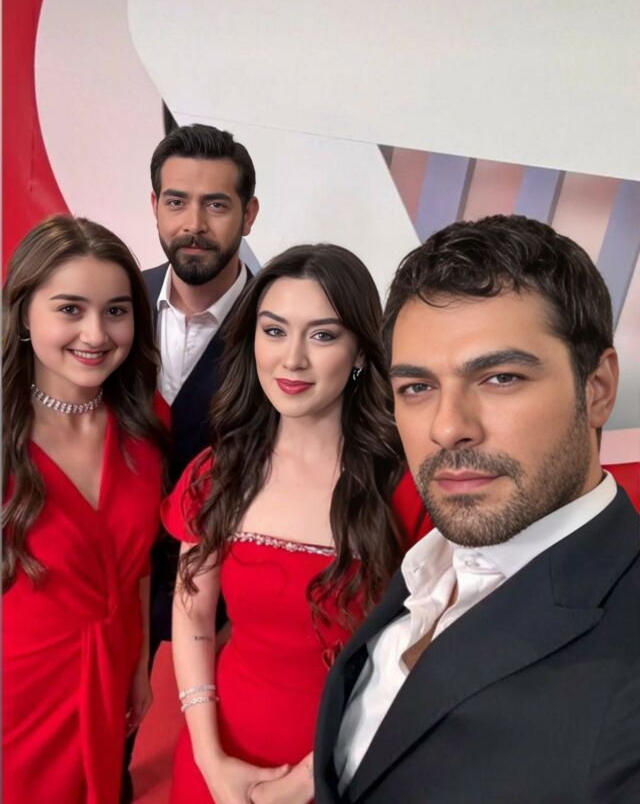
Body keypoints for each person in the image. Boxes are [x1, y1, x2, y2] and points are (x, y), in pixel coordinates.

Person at [314, 214, 640, 804]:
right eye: (417, 387)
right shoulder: (430, 562)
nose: (447, 428)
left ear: (596, 389)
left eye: (500, 378)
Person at [163, 244, 428, 804]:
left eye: (323, 335)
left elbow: (424, 651)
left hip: (351, 767)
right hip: (219, 755)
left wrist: (307, 780)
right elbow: (193, 619)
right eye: (275, 331)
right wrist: (210, 759)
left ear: (360, 352)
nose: (292, 360)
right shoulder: (216, 472)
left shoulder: (407, 488)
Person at [2, 215, 170, 804]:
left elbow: (140, 565)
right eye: (70, 309)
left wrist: (138, 665)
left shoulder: (146, 421)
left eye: (116, 311)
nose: (96, 334)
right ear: (25, 314)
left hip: (112, 671)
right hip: (17, 690)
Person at [122, 124, 260, 801]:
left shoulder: (281, 324)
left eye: (216, 204)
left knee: (217, 764)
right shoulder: (114, 304)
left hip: (230, 595)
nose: (194, 224)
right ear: (154, 206)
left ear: (249, 214)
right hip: (111, 583)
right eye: (177, 201)